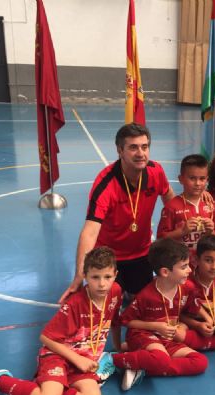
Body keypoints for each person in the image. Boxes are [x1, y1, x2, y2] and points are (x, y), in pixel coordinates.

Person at [0, 247, 122, 395]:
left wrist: (118, 347)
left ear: (115, 275)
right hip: (58, 356)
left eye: (107, 277)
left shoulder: (115, 291)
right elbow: (46, 338)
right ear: (84, 276)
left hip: (84, 360)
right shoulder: (75, 304)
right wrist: (77, 359)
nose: (102, 284)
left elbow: (115, 320)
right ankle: (0, 381)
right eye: (95, 277)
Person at [59, 123, 174, 309]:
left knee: (143, 305)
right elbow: (89, 232)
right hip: (109, 257)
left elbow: (171, 201)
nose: (140, 153)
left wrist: (193, 205)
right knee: (108, 306)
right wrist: (79, 276)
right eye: (133, 147)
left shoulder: (156, 171)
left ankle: (129, 290)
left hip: (141, 253)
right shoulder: (105, 184)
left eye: (145, 147)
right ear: (120, 150)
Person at [102, 238, 209, 391]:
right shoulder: (146, 295)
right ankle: (111, 359)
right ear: (165, 272)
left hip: (166, 338)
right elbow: (126, 321)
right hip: (143, 334)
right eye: (184, 267)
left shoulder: (187, 288)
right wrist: (156, 326)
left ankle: (141, 366)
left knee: (200, 362)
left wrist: (201, 321)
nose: (190, 270)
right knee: (161, 359)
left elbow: (190, 312)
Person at [157, 154, 215, 267]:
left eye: (202, 179)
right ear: (181, 179)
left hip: (205, 267)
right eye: (192, 178)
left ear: (207, 180)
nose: (197, 183)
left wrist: (211, 232)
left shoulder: (211, 205)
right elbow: (160, 239)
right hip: (179, 267)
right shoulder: (171, 206)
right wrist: (182, 231)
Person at [180, 234, 215, 348]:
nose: (214, 266)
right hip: (191, 321)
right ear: (197, 260)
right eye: (208, 260)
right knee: (179, 330)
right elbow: (178, 314)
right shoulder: (186, 280)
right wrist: (197, 325)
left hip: (213, 321)